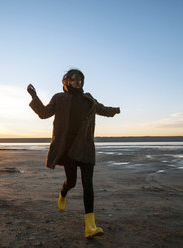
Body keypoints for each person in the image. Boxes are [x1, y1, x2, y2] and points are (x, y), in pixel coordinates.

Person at [27, 69, 120, 239]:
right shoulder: (59, 98)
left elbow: (102, 109)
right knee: (72, 182)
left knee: (88, 186)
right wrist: (34, 96)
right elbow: (44, 113)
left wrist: (115, 110)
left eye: (80, 79)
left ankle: (90, 227)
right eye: (74, 79)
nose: (78, 82)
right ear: (67, 81)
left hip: (85, 147)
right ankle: (63, 193)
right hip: (68, 149)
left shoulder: (88, 99)